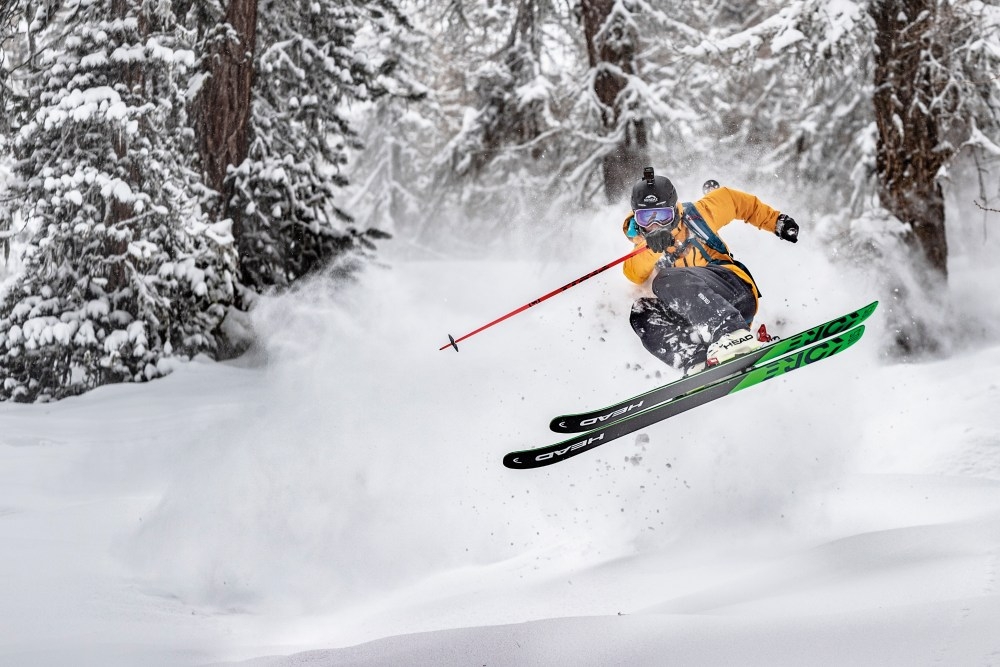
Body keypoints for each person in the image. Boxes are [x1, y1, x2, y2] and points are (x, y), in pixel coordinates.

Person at [623, 167, 799, 374]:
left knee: (666, 279)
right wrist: (652, 249)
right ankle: (696, 360)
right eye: (646, 219)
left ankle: (731, 333)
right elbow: (633, 274)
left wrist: (776, 221)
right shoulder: (643, 247)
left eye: (662, 216)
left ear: (674, 210)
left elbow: (734, 201)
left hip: (734, 289)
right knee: (641, 311)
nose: (655, 225)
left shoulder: (698, 215)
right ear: (636, 219)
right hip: (700, 321)